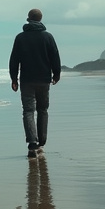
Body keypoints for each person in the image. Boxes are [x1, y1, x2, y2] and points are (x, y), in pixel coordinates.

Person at [9, 9, 61, 158]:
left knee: (28, 111)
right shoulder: (48, 37)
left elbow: (14, 60)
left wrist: (14, 79)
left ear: (28, 19)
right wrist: (56, 74)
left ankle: (32, 144)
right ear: (41, 19)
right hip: (44, 80)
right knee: (43, 110)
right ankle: (41, 143)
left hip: (27, 80)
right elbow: (55, 57)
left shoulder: (20, 38)